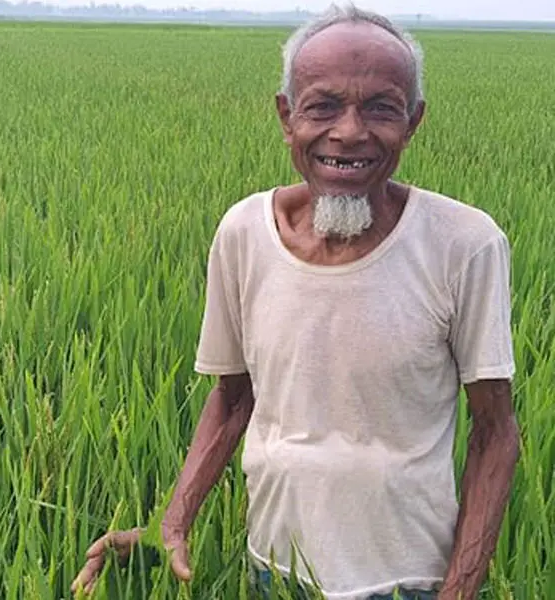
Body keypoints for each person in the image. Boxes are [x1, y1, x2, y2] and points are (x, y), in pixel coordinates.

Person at [70, 4, 521, 600]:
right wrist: (170, 524)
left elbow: (496, 432)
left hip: (411, 581)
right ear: (288, 116)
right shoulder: (243, 234)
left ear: (413, 121)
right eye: (323, 105)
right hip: (275, 570)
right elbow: (234, 398)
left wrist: (460, 590)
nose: (350, 132)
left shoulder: (465, 244)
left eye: (381, 108)